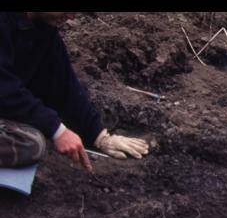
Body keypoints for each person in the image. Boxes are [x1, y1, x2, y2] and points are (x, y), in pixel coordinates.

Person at [0, 12, 149, 173]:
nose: (71, 17)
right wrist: (57, 130)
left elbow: (63, 84)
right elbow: (4, 88)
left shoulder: (42, 27)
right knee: (31, 144)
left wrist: (99, 136)